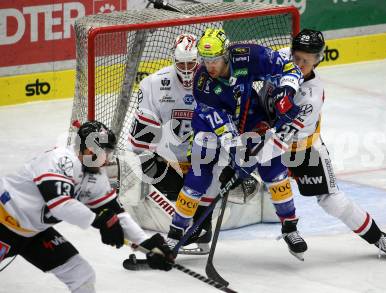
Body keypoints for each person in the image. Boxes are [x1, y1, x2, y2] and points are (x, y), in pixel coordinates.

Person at [165, 28, 308, 260]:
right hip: (209, 127)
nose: (210, 66)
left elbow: (289, 66)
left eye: (215, 59)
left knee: (274, 169)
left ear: (226, 55)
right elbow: (224, 130)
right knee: (198, 177)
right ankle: (175, 233)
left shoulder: (247, 55)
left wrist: (286, 92)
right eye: (205, 60)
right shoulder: (203, 84)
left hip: (251, 116)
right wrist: (239, 159)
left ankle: (290, 228)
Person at [263, 29, 386, 261]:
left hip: (301, 150)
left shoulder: (311, 96)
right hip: (263, 134)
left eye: (305, 62)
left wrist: (252, 157)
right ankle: (195, 229)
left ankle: (379, 238)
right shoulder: (281, 57)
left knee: (331, 200)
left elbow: (283, 137)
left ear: (317, 60)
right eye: (296, 58)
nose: (298, 65)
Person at [0, 121, 174, 293]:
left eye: (108, 152)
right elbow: (60, 205)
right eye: (101, 152)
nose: (106, 159)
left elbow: (117, 214)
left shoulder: (95, 176)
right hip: (3, 223)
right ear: (85, 148)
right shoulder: (61, 159)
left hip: (33, 233)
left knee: (81, 275)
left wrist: (146, 243)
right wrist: (98, 221)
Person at [128, 33, 216, 254]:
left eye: (191, 63)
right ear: (173, 59)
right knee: (147, 164)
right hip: (171, 158)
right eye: (181, 63)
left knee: (210, 170)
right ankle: (194, 224)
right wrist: (146, 150)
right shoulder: (156, 84)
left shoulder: (214, 81)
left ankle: (200, 229)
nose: (186, 69)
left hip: (204, 156)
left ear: (200, 59)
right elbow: (140, 137)